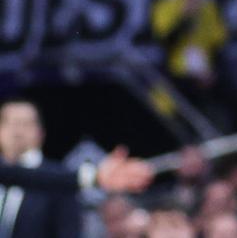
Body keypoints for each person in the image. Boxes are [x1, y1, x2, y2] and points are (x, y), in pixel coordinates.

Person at [0, 100, 153, 238]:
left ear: (41, 132)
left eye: (25, 124)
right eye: (10, 123)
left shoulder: (60, 179)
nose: (17, 132)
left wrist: (94, 177)